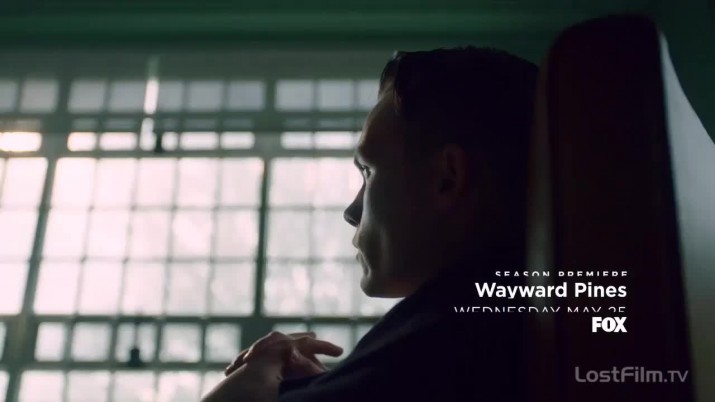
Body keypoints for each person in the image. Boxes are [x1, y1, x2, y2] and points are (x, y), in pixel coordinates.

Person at [202, 46, 538, 402]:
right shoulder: (509, 319)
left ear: (447, 178)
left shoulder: (445, 338)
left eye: (368, 171)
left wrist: (248, 382)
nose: (351, 211)